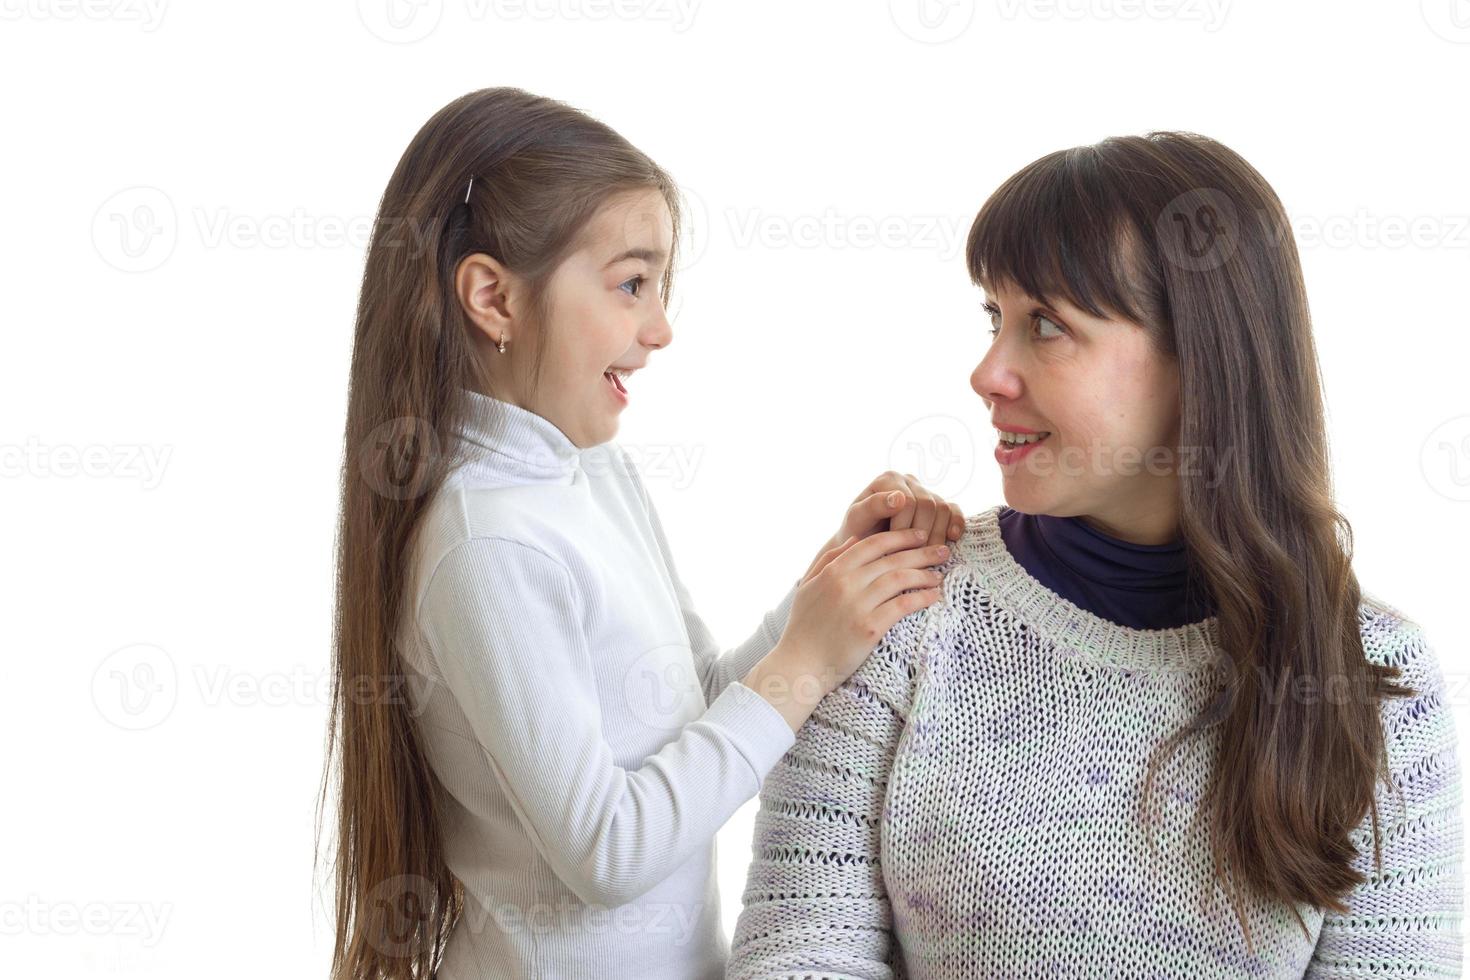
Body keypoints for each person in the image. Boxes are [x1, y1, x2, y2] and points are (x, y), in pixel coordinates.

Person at [728, 131, 1464, 978]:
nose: (987, 372)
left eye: (1046, 325)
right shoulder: (898, 607)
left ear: (1201, 361)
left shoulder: (1375, 680)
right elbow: (797, 952)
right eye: (993, 317)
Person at [317, 86, 968, 980]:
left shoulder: (594, 476)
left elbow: (692, 702)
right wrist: (805, 660)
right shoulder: (486, 542)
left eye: (660, 288)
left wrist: (828, 589)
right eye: (631, 284)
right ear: (493, 300)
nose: (660, 329)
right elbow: (608, 854)